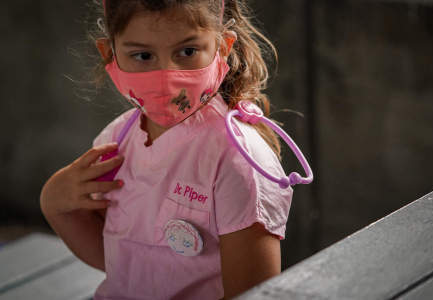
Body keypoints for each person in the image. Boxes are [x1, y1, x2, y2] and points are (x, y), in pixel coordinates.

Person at [40, 0, 294, 299]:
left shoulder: (239, 160)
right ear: (110, 54)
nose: (167, 73)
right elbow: (121, 265)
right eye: (143, 55)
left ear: (222, 48)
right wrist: (54, 204)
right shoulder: (116, 141)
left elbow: (251, 293)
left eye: (187, 51)